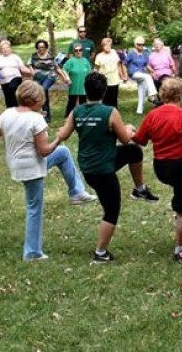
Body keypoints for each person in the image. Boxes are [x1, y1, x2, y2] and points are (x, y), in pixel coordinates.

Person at [56, 73, 159, 263]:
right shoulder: (109, 112)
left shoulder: (76, 112)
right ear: (104, 91)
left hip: (88, 167)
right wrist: (129, 128)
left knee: (134, 153)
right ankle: (100, 253)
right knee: (111, 210)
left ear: (86, 91)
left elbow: (63, 133)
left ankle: (140, 189)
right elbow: (126, 139)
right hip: (103, 170)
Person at [0, 81, 62, 261]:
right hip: (32, 167)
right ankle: (32, 252)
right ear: (36, 100)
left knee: (63, 154)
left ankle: (76, 190)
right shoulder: (37, 119)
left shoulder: (8, 113)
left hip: (16, 164)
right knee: (34, 207)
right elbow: (44, 150)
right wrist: (58, 138)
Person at [133, 78, 182, 262]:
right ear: (181, 95)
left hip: (162, 167)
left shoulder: (153, 115)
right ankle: (180, 250)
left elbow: (140, 140)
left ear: (163, 94)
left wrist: (131, 132)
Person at [29, 39, 69, 122]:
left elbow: (57, 68)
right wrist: (32, 71)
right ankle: (43, 115)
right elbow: (29, 65)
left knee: (43, 89)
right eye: (39, 47)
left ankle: (46, 116)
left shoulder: (50, 57)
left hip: (50, 76)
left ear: (46, 48)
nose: (41, 49)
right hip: (38, 77)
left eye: (43, 47)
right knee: (38, 94)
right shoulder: (33, 56)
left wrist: (64, 77)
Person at [124, 35, 160, 115]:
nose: (141, 46)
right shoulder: (131, 53)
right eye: (139, 44)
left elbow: (146, 65)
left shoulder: (144, 54)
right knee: (147, 76)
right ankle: (152, 95)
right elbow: (124, 63)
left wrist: (153, 72)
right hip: (133, 73)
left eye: (142, 44)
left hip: (142, 74)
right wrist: (125, 74)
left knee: (141, 91)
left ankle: (139, 111)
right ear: (135, 44)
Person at [0, 39, 32, 108]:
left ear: (10, 48)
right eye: (3, 48)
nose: (5, 50)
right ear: (1, 50)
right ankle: (10, 112)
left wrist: (31, 72)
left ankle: (17, 108)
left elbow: (22, 68)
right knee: (8, 98)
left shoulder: (15, 57)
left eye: (7, 48)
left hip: (15, 77)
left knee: (13, 89)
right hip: (4, 81)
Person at [94, 37, 127, 109]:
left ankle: (114, 112)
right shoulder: (99, 56)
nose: (108, 47)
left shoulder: (114, 53)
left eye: (109, 45)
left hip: (114, 79)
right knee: (105, 98)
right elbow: (96, 68)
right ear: (102, 46)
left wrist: (122, 76)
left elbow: (118, 66)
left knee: (114, 98)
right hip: (104, 80)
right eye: (106, 45)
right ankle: (105, 111)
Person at [63, 42, 93, 117]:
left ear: (82, 51)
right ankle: (68, 115)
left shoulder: (85, 61)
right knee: (72, 101)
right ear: (74, 52)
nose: (78, 52)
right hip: (74, 84)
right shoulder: (71, 61)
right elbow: (64, 69)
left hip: (84, 85)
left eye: (80, 50)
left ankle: (83, 115)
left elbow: (89, 72)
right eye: (76, 50)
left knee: (83, 101)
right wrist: (67, 78)